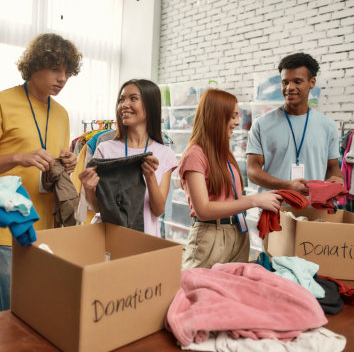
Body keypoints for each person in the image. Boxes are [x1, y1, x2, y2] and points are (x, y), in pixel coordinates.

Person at [0, 33, 82, 311]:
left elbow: (56, 170)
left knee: (38, 315)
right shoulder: (3, 102)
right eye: (55, 69)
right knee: (10, 317)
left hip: (49, 230)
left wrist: (67, 164)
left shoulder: (62, 114)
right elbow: (21, 157)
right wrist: (18, 157)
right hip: (8, 230)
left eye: (67, 73)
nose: (62, 79)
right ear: (35, 65)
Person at [178, 89, 282, 269]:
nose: (237, 122)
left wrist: (268, 198)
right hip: (211, 236)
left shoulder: (224, 154)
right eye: (233, 116)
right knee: (199, 293)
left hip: (238, 233)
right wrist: (254, 200)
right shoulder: (194, 155)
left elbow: (230, 199)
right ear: (217, 117)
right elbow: (203, 209)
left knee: (232, 293)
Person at [79, 79, 178, 237]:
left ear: (150, 104)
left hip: (143, 240)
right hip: (106, 237)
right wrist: (88, 188)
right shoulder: (105, 149)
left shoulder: (165, 154)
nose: (124, 105)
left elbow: (158, 210)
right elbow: (97, 208)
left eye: (133, 98)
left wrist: (150, 176)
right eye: (121, 99)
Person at [246, 53, 344, 196]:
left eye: (297, 81)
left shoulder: (328, 125)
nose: (289, 88)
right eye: (285, 82)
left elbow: (333, 166)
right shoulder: (261, 124)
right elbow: (252, 171)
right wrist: (288, 186)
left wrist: (338, 179)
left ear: (312, 83)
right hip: (274, 209)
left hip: (314, 210)